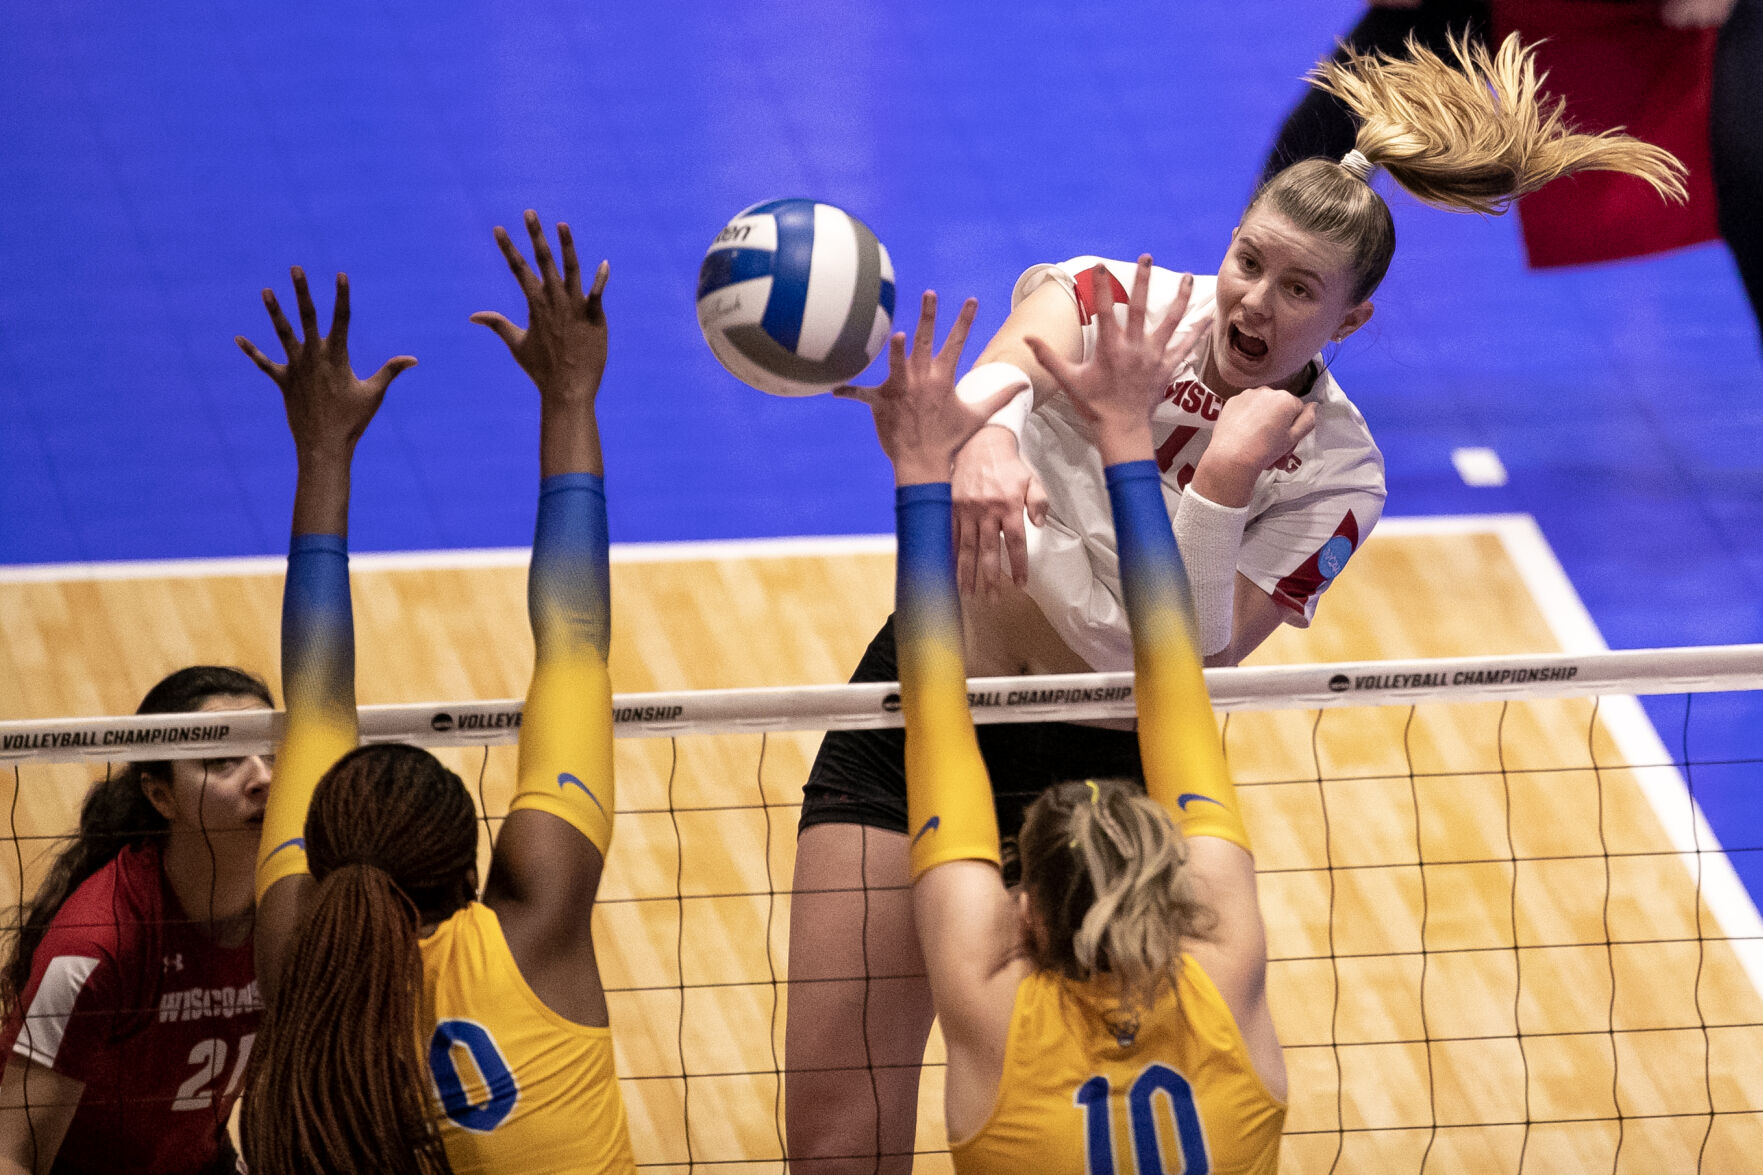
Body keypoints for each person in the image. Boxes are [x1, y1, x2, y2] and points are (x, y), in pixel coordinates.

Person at [784, 34, 1686, 1170]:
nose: (1252, 301)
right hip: (915, 720)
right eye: (1246, 261)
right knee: (831, 1135)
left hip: (1105, 792)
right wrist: (972, 445)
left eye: (1297, 288)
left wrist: (1216, 487)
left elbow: (1173, 651)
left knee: (1057, 1112)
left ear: (1348, 322)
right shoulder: (1123, 303)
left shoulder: (1337, 474)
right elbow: (986, 375)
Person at [851, 276, 1283, 1172]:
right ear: (1176, 892)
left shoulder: (995, 1014)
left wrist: (918, 467)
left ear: (1026, 913)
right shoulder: (1224, 978)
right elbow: (1175, 676)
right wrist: (1123, 436)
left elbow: (930, 709)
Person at [234, 212, 634, 1173]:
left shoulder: (298, 964)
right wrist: (570, 395)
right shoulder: (529, 931)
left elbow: (316, 703)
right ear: (472, 873)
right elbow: (574, 642)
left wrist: (322, 453)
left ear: (319, 856)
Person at [0, 667, 274, 1175]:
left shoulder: (296, 913)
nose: (262, 777)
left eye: (272, 750)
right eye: (223, 759)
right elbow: (12, 1154)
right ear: (160, 796)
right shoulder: (95, 947)